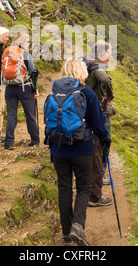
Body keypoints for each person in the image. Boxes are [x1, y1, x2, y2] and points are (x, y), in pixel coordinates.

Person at [45, 59, 111, 246]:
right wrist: (106, 140)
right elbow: (98, 125)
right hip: (82, 149)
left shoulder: (54, 93)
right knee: (83, 188)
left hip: (59, 149)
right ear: (82, 73)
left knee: (64, 189)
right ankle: (77, 226)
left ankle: (66, 234)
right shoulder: (87, 94)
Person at [85, 40, 114, 207]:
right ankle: (94, 195)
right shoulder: (98, 69)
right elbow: (104, 79)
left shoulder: (90, 66)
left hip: (89, 111)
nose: (111, 56)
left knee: (95, 150)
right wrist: (110, 96)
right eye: (109, 53)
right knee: (98, 149)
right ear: (102, 54)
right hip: (96, 114)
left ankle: (93, 185)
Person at [4, 32, 40, 150]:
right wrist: (36, 90)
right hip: (24, 87)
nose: (29, 44)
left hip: (9, 88)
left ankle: (9, 142)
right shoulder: (25, 54)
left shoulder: (7, 52)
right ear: (22, 42)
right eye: (28, 41)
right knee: (30, 115)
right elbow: (32, 72)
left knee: (12, 115)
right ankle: (35, 140)